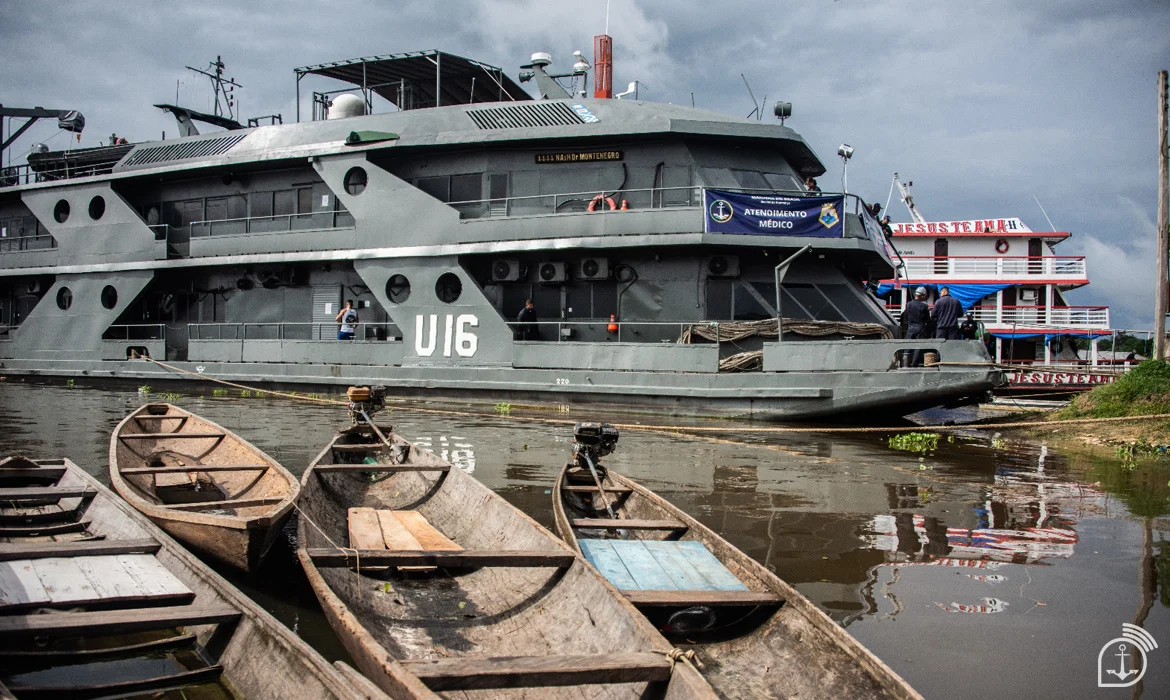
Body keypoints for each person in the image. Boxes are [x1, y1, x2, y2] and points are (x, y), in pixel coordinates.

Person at [899, 287, 931, 366]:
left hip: (910, 327)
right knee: (918, 346)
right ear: (923, 296)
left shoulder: (909, 304)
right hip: (920, 327)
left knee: (908, 345)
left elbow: (905, 316)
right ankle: (914, 363)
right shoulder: (924, 306)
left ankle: (905, 363)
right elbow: (927, 319)